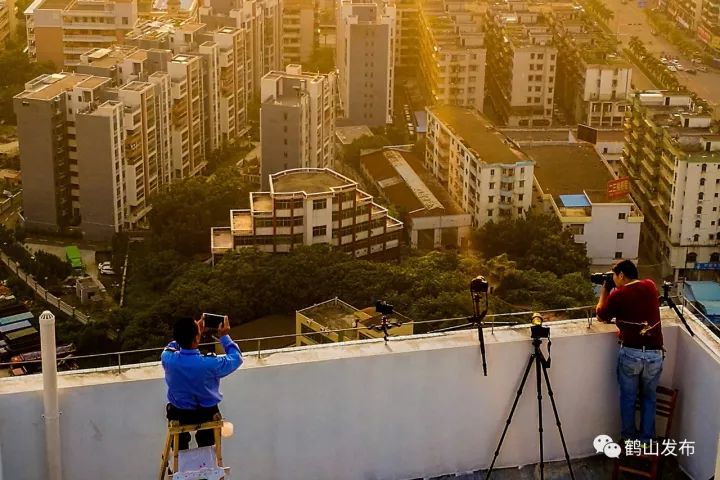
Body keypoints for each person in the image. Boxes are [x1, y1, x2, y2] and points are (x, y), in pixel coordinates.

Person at [595, 259, 664, 443]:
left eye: (614, 276)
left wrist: (605, 289)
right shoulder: (650, 286)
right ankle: (647, 440)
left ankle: (629, 440)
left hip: (631, 354)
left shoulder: (618, 295)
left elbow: (601, 314)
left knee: (629, 399)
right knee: (649, 398)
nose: (613, 279)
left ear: (621, 275)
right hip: (654, 355)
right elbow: (639, 311)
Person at [161, 314, 243, 450]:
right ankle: (206, 461)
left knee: (179, 446)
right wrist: (224, 336)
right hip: (207, 413)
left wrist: (192, 332)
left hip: (179, 412)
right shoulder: (210, 364)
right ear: (196, 339)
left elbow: (170, 346)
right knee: (207, 442)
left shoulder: (168, 358)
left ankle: (180, 456)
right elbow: (236, 358)